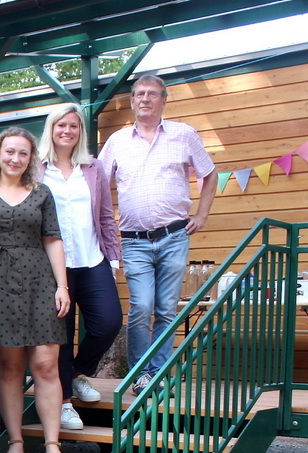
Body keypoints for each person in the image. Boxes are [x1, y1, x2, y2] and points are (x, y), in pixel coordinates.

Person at [99, 72, 215, 394]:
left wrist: (202, 214)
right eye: (139, 94)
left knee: (166, 308)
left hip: (174, 235)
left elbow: (209, 173)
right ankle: (140, 373)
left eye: (152, 94)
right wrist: (102, 227)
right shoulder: (117, 141)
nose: (145, 99)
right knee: (141, 307)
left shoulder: (183, 134)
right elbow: (97, 183)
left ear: (164, 100)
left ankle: (158, 373)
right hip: (134, 239)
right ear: (132, 101)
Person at [0, 126, 72, 453]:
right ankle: (15, 441)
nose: (15, 158)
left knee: (46, 365)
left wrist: (62, 286)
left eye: (23, 153)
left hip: (40, 280)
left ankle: (53, 444)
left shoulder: (42, 192)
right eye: (10, 151)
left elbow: (53, 239)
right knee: (10, 367)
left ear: (31, 158)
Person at [38, 103, 123, 430]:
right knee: (60, 334)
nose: (67, 131)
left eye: (73, 126)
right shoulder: (37, 169)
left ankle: (77, 372)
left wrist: (113, 258)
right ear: (51, 129)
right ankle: (63, 403)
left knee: (108, 323)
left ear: (80, 131)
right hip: (51, 265)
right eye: (61, 125)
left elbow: (105, 215)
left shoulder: (93, 167)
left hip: (92, 258)